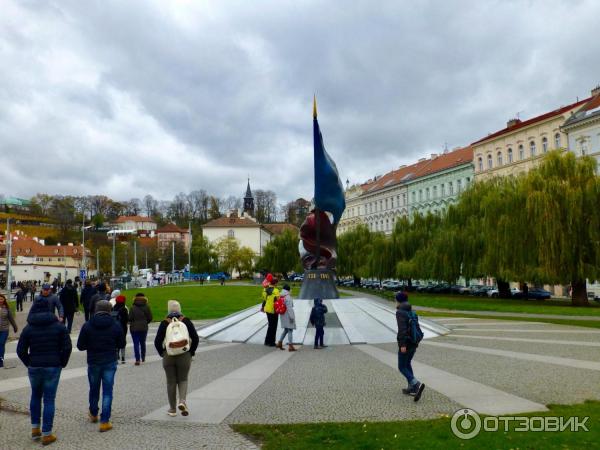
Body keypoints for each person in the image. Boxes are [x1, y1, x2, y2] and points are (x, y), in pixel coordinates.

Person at [17, 300, 72, 445]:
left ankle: (35, 428)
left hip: (35, 366)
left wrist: (29, 362)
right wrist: (62, 362)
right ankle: (47, 433)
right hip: (53, 365)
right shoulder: (59, 327)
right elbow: (67, 347)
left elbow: (20, 350)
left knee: (35, 396)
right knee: (49, 399)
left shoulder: (28, 328)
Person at [77, 300, 125, 432]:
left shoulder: (88, 325)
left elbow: (80, 346)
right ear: (109, 310)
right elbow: (122, 343)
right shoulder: (115, 325)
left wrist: (91, 344)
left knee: (94, 388)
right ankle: (105, 421)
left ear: (96, 310)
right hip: (109, 360)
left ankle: (93, 413)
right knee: (108, 391)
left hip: (93, 361)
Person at [154, 300, 199, 417]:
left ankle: (172, 409)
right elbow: (195, 338)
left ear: (168, 310)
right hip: (184, 354)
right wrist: (191, 352)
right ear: (180, 309)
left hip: (169, 355)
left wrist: (163, 353)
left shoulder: (164, 323)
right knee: (183, 379)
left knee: (171, 382)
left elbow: (157, 341)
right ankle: (182, 401)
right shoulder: (186, 321)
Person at [395, 290, 425, 402]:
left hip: (406, 343)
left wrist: (402, 344)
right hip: (413, 342)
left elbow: (402, 330)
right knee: (407, 363)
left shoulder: (400, 312)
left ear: (398, 300)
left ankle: (415, 384)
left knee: (402, 366)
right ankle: (411, 388)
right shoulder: (412, 311)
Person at [128, 293, 152, 365]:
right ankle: (143, 357)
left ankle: (137, 359)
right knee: (143, 342)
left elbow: (130, 318)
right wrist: (145, 322)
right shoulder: (147, 307)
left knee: (136, 343)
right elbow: (150, 318)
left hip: (134, 328)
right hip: (144, 327)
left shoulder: (132, 307)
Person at [276, 284, 296, 352]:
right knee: (290, 330)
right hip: (288, 315)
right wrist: (292, 317)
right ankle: (290, 346)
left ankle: (280, 343)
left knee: (285, 330)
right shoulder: (288, 297)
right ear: (288, 290)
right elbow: (289, 308)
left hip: (283, 315)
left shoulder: (281, 295)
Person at [0, 294, 18, 368]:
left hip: (4, 330)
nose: (0, 300)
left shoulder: (7, 309)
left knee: (1, 344)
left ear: (4, 300)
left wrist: (15, 327)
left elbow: (11, 319)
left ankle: (1, 361)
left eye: (1, 299)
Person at [261, 277, 279, 347]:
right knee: (274, 326)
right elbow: (278, 299)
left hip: (267, 309)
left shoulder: (265, 290)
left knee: (270, 325)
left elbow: (265, 299)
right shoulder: (276, 290)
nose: (277, 284)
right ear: (275, 283)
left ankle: (267, 341)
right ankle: (272, 342)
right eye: (277, 283)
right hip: (274, 310)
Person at [112, 295, 129, 364]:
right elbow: (126, 320)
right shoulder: (124, 309)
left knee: (115, 341)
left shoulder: (113, 308)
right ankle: (123, 357)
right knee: (122, 341)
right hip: (123, 328)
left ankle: (116, 356)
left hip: (114, 327)